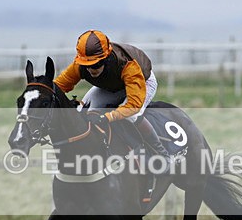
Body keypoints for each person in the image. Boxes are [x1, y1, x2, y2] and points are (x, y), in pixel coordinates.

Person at [53, 29, 176, 169]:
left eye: (97, 64)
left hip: (143, 82)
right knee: (85, 110)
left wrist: (108, 117)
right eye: (87, 65)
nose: (92, 69)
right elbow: (57, 87)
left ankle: (162, 154)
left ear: (106, 58)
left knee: (132, 115)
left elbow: (133, 105)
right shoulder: (78, 65)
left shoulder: (127, 65)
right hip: (113, 86)